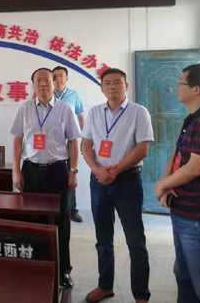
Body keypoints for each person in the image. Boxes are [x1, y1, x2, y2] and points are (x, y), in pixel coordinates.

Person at [155, 64, 200, 303]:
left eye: (181, 83)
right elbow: (177, 154)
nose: (177, 87)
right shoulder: (193, 118)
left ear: (196, 89)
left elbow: (195, 168)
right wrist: (166, 183)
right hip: (183, 211)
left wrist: (160, 186)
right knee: (184, 276)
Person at [81, 68, 153, 303]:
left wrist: (116, 170)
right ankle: (105, 286)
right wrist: (97, 170)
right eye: (108, 83)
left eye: (117, 82)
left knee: (135, 240)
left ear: (126, 86)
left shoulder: (139, 112)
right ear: (102, 88)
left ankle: (141, 295)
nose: (112, 86)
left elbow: (142, 149)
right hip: (99, 180)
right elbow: (86, 145)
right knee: (103, 238)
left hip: (127, 180)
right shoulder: (94, 112)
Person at [9, 67, 81, 289]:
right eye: (38, 80)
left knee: (61, 222)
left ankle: (63, 270)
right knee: (32, 220)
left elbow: (73, 141)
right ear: (33, 84)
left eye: (47, 80)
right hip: (31, 171)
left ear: (55, 82)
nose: (43, 84)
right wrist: (16, 170)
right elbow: (17, 140)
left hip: (58, 171)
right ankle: (34, 266)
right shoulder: (25, 109)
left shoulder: (65, 109)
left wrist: (73, 170)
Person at [53, 65, 86, 223]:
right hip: (52, 143)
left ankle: (72, 210)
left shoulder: (74, 95)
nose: (58, 78)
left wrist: (84, 139)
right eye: (55, 76)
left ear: (66, 78)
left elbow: (81, 117)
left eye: (61, 75)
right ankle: (54, 209)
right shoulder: (47, 94)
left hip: (70, 141)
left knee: (71, 175)